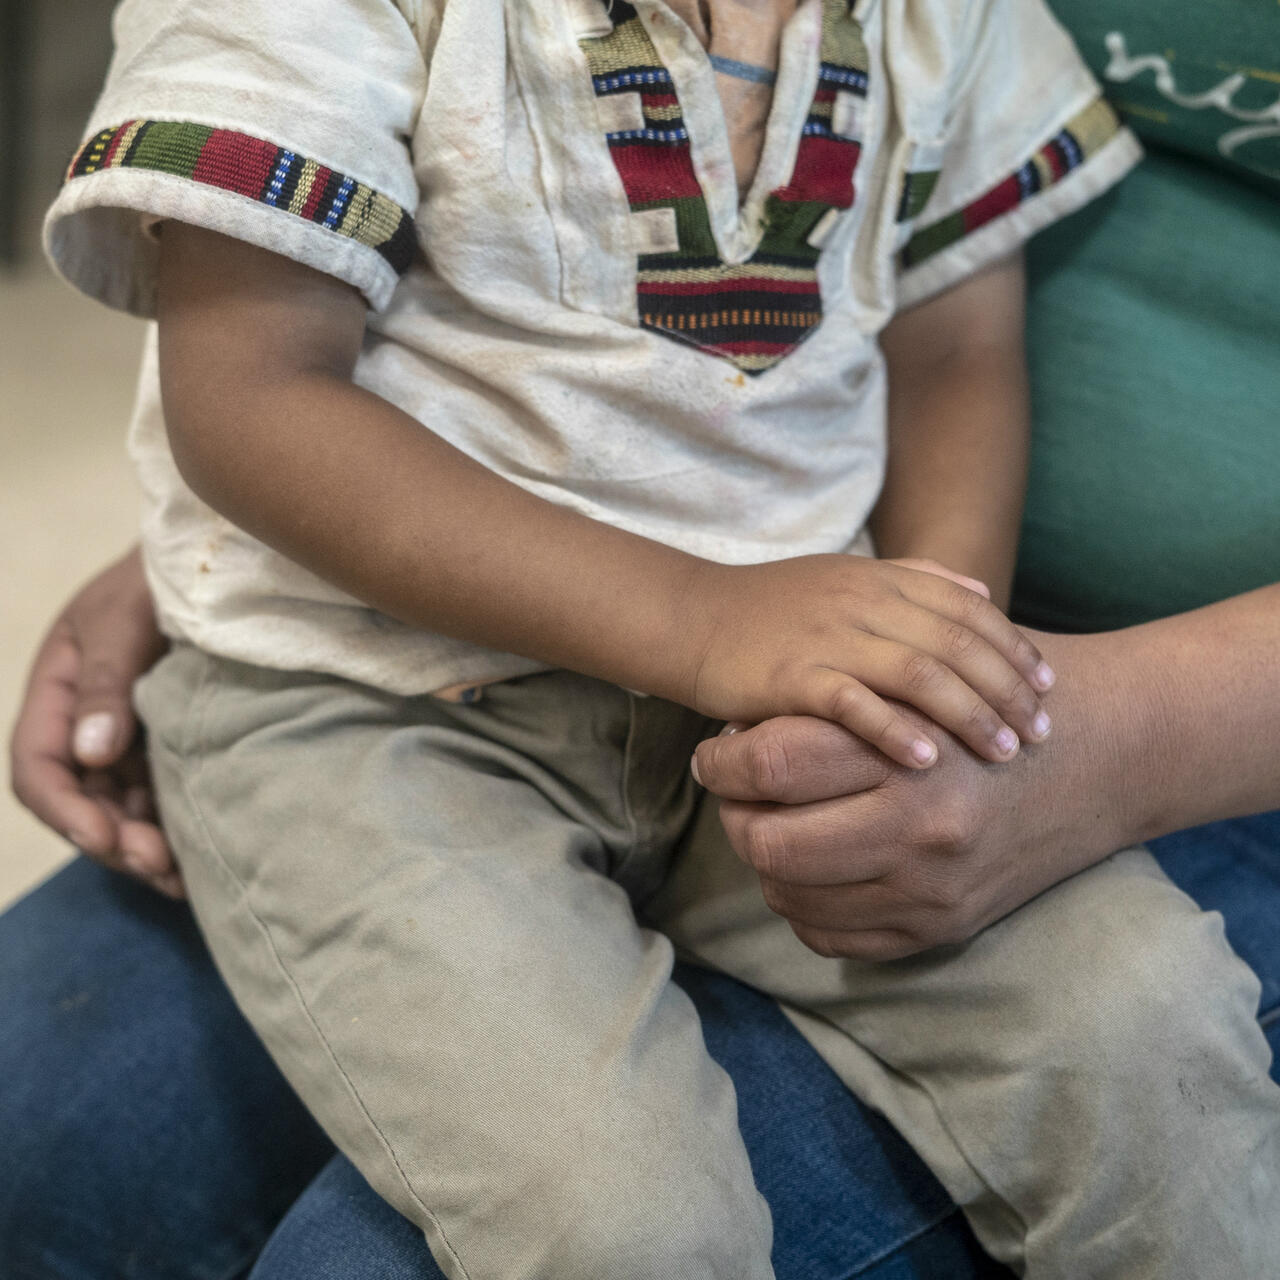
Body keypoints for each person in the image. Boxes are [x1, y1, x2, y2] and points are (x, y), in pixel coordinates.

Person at [29, 1, 1279, 1277]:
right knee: (619, 1223)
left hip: (783, 686)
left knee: (1147, 1029)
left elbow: (954, 340)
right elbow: (249, 396)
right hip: (360, 701)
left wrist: (927, 662)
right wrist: (702, 615)